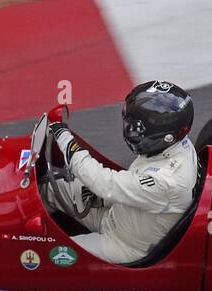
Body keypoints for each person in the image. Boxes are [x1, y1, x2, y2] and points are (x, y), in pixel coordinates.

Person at [47, 81, 198, 264]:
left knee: (52, 256)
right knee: (51, 188)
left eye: (138, 128)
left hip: (124, 245)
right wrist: (103, 200)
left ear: (164, 135)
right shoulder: (178, 143)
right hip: (117, 213)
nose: (131, 131)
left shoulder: (168, 179)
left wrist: (63, 137)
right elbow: (127, 189)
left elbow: (105, 184)